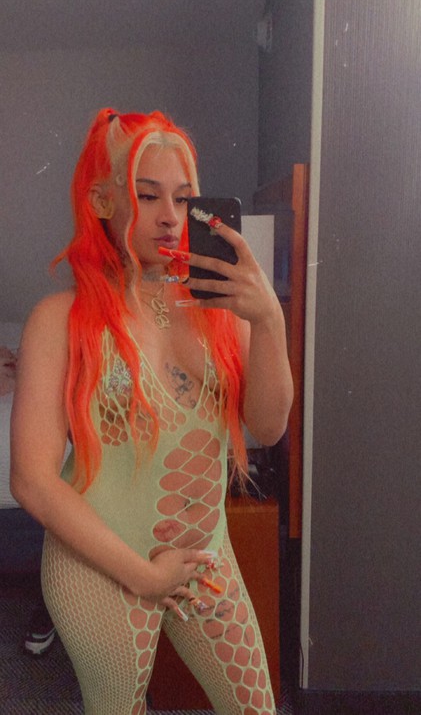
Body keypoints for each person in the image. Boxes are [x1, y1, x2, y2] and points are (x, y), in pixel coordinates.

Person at [10, 109, 293, 715]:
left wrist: (269, 319)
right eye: (147, 195)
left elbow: (269, 427)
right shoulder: (59, 320)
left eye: (183, 197)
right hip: (100, 565)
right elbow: (31, 479)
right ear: (103, 201)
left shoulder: (220, 308)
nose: (170, 216)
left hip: (204, 557)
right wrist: (143, 576)